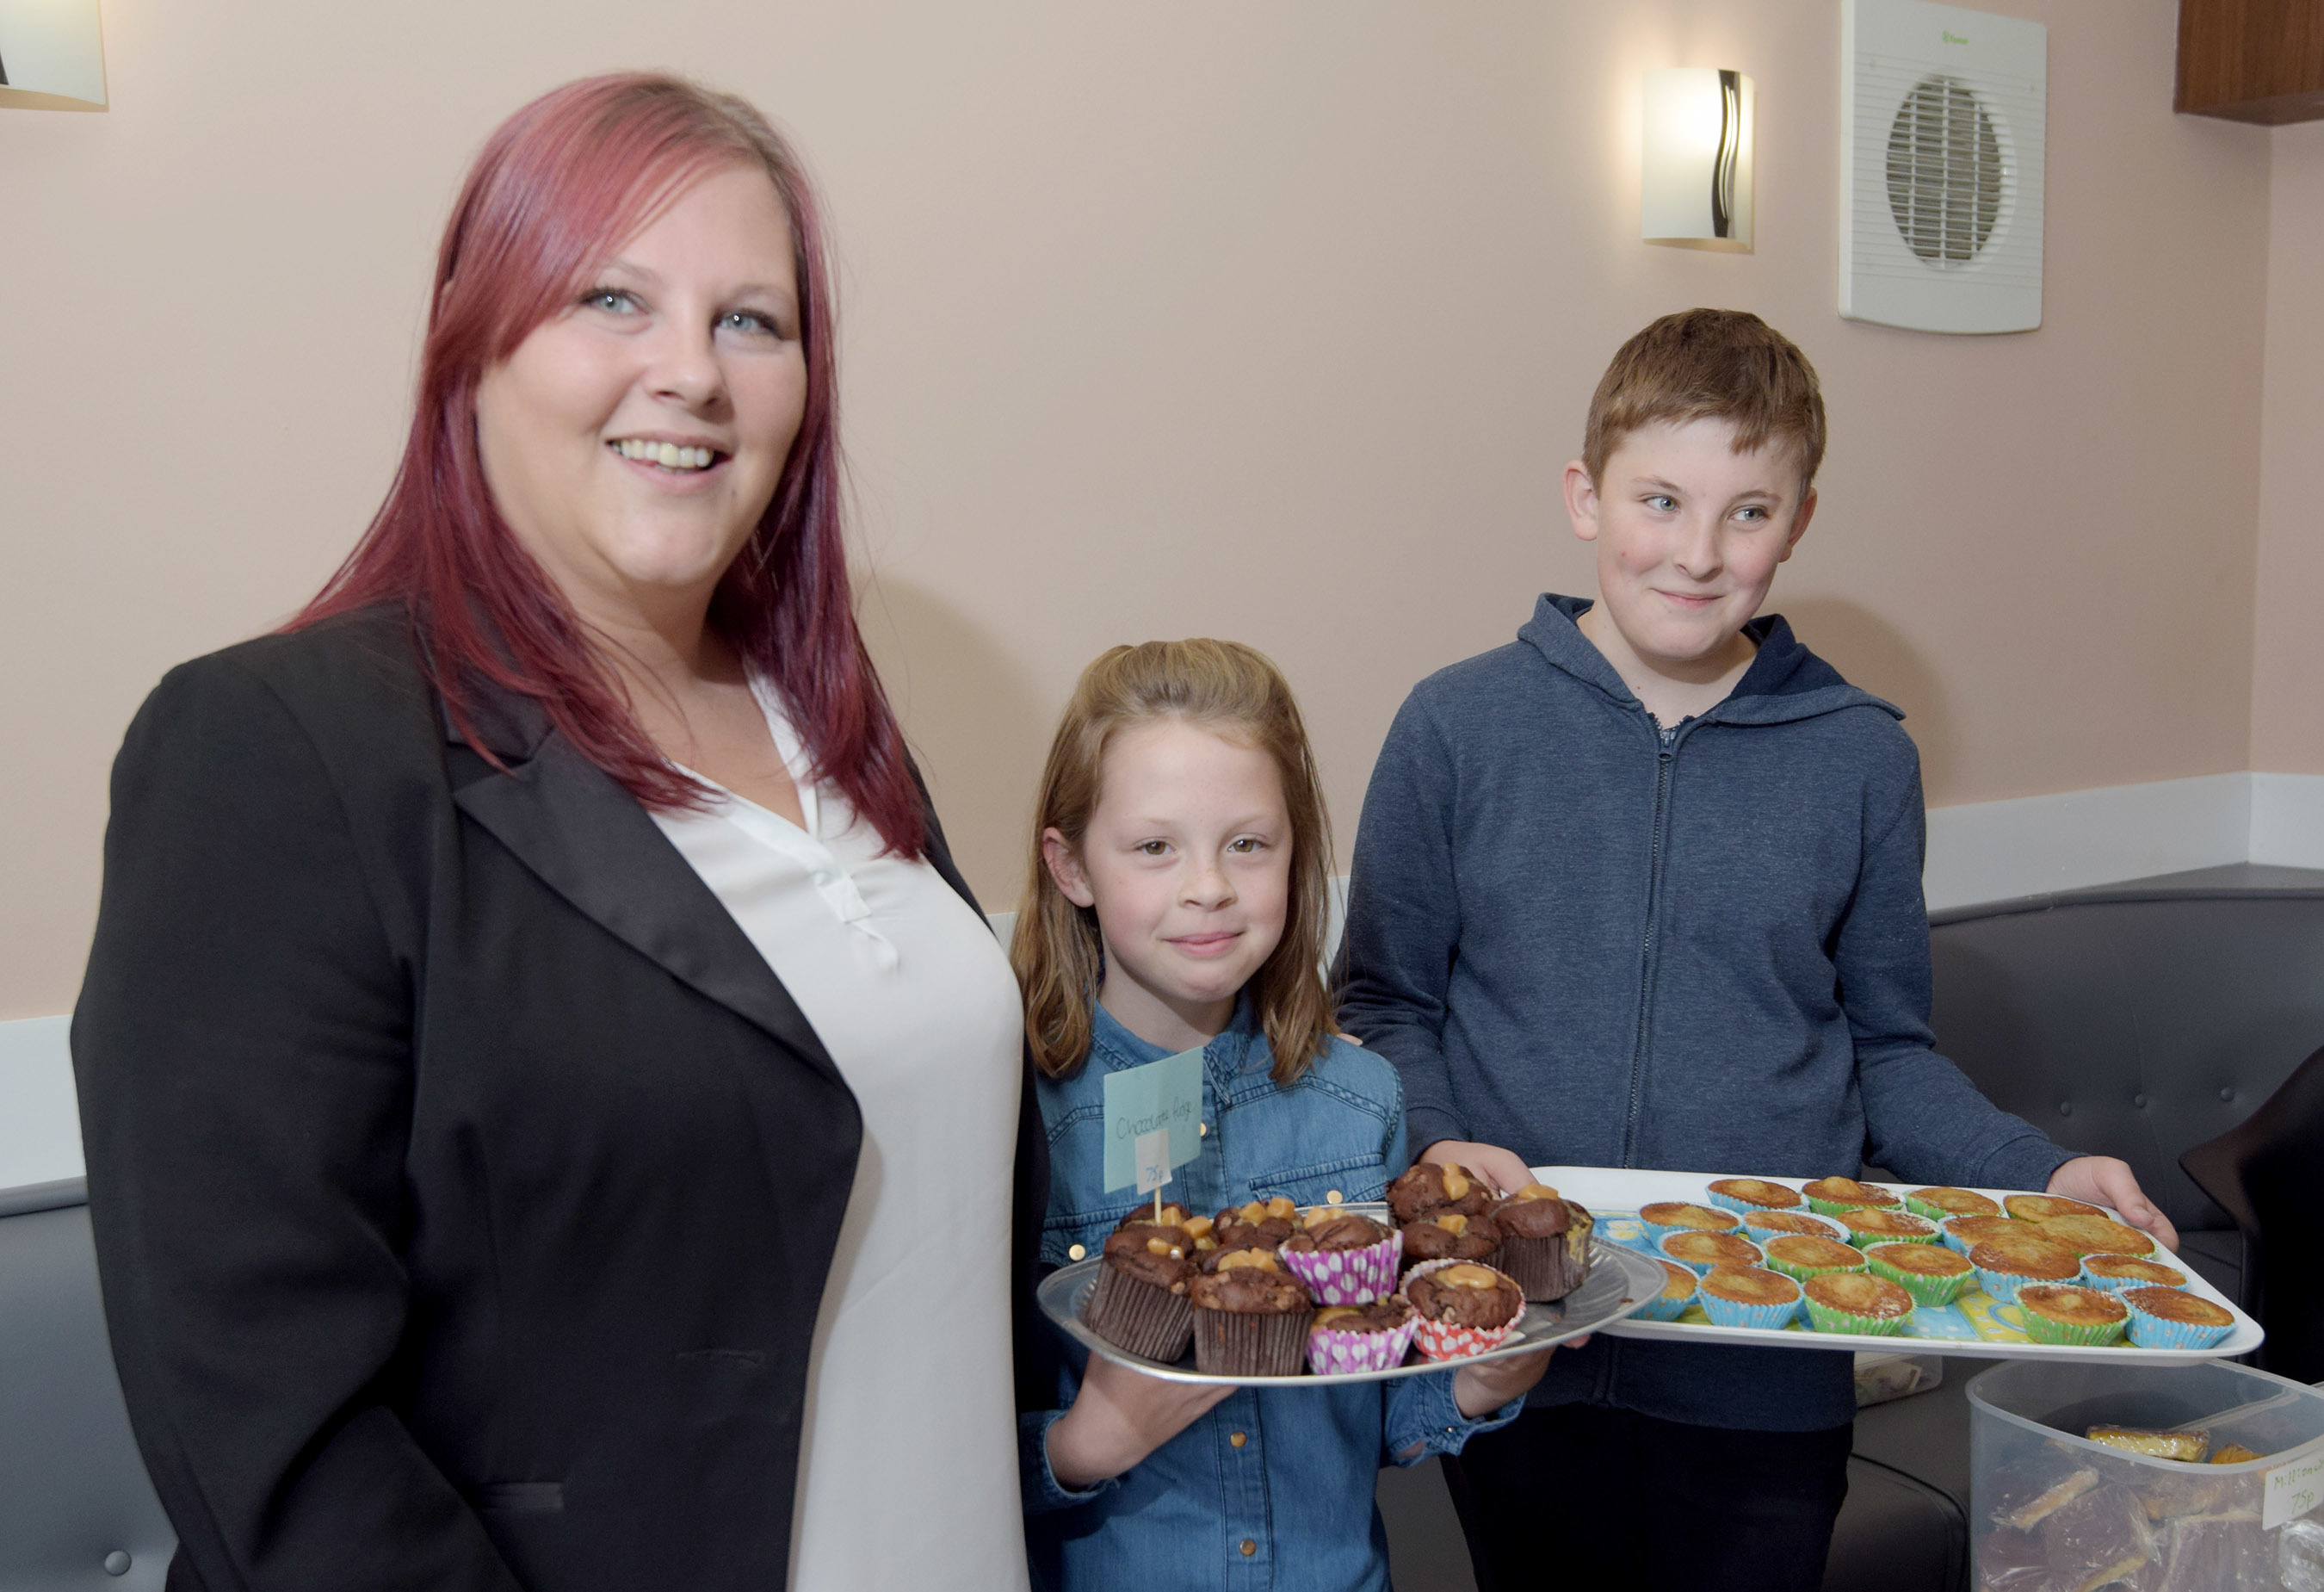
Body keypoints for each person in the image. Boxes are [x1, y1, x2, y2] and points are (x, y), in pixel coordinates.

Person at [71, 74, 1040, 1592]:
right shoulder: (273, 749)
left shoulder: (829, 716)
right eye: (611, 298)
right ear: (475, 346)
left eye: (751, 321)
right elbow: (267, 1422)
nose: (691, 375)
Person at [1335, 308, 2179, 1592]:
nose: (1696, 550)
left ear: (1800, 521)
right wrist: (1442, 1139)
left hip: (1762, 1367)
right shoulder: (1457, 727)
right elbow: (1387, 999)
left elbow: (1888, 1050)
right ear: (1584, 495)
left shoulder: (1860, 757)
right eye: (1661, 500)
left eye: (1747, 511)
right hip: (1523, 1337)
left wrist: (2041, 1170)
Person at [1011, 639, 1551, 1592]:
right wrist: (1081, 1445)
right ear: (1072, 866)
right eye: (1153, 846)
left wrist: (1485, 1377)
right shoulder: (1016, 1120)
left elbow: (1382, 1404)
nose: (1209, 886)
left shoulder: (1362, 1101)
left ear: (1296, 854)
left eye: (1248, 843)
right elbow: (930, 1457)